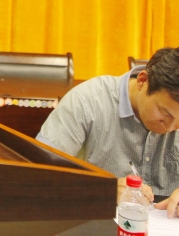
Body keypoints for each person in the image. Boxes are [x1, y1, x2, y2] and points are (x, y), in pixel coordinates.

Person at [36, 47, 179, 217]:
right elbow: (38, 176)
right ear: (143, 81)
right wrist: (103, 191)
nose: (171, 127)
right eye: (165, 113)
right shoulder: (86, 102)